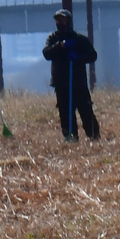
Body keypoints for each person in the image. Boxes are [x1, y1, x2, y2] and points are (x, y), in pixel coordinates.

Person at [42, 9, 99, 142]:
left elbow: (93, 55)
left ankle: (94, 136)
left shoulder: (79, 39)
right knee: (65, 113)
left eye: (63, 20)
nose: (60, 23)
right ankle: (71, 137)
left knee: (85, 110)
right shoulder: (53, 38)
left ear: (69, 21)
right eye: (58, 20)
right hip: (61, 83)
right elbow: (46, 53)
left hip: (78, 82)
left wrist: (78, 57)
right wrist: (60, 46)